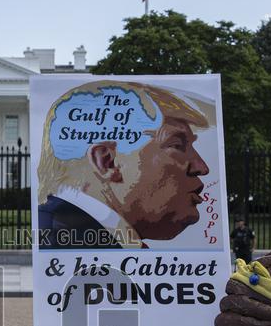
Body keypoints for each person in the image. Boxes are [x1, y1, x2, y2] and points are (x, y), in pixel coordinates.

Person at [37, 80, 213, 249]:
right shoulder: (68, 242)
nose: (202, 167)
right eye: (176, 145)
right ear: (107, 162)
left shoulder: (69, 234)